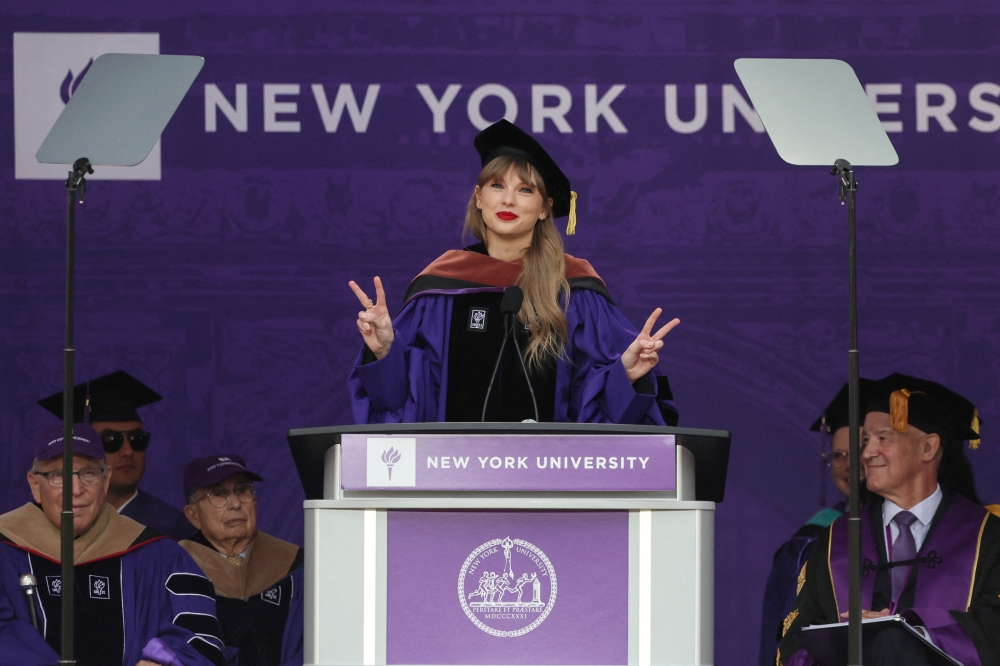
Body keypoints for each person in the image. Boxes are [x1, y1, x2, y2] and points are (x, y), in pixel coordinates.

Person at [348, 119, 679, 424]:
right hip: (453, 475)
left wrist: (624, 374)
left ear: (544, 208)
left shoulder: (574, 291)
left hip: (552, 478)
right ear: (479, 198)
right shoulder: (439, 290)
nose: (508, 200)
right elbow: (405, 405)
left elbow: (595, 405)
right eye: (496, 186)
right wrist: (385, 351)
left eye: (525, 190)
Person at [778, 373, 1000, 666]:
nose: (867, 453)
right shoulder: (835, 541)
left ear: (928, 448)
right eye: (866, 440)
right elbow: (795, 642)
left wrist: (910, 634)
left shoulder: (988, 536)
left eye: (883, 438)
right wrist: (849, 642)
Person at [0, 424, 231, 666]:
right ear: (35, 486)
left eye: (88, 473)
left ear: (106, 479)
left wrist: (164, 661)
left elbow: (201, 639)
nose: (76, 490)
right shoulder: (6, 547)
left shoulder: (159, 555)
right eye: (58, 475)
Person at [758, 379, 874, 666]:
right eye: (838, 456)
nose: (849, 465)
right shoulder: (807, 543)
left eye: (859, 451)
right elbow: (780, 639)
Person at [179, 455, 303, 666]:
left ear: (255, 501)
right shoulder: (176, 568)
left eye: (242, 490)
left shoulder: (295, 564)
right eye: (218, 494)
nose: (235, 503)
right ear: (193, 516)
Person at [38, 370, 192, 540]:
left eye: (137, 439)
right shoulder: (42, 525)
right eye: (111, 440)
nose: (128, 451)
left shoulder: (172, 528)